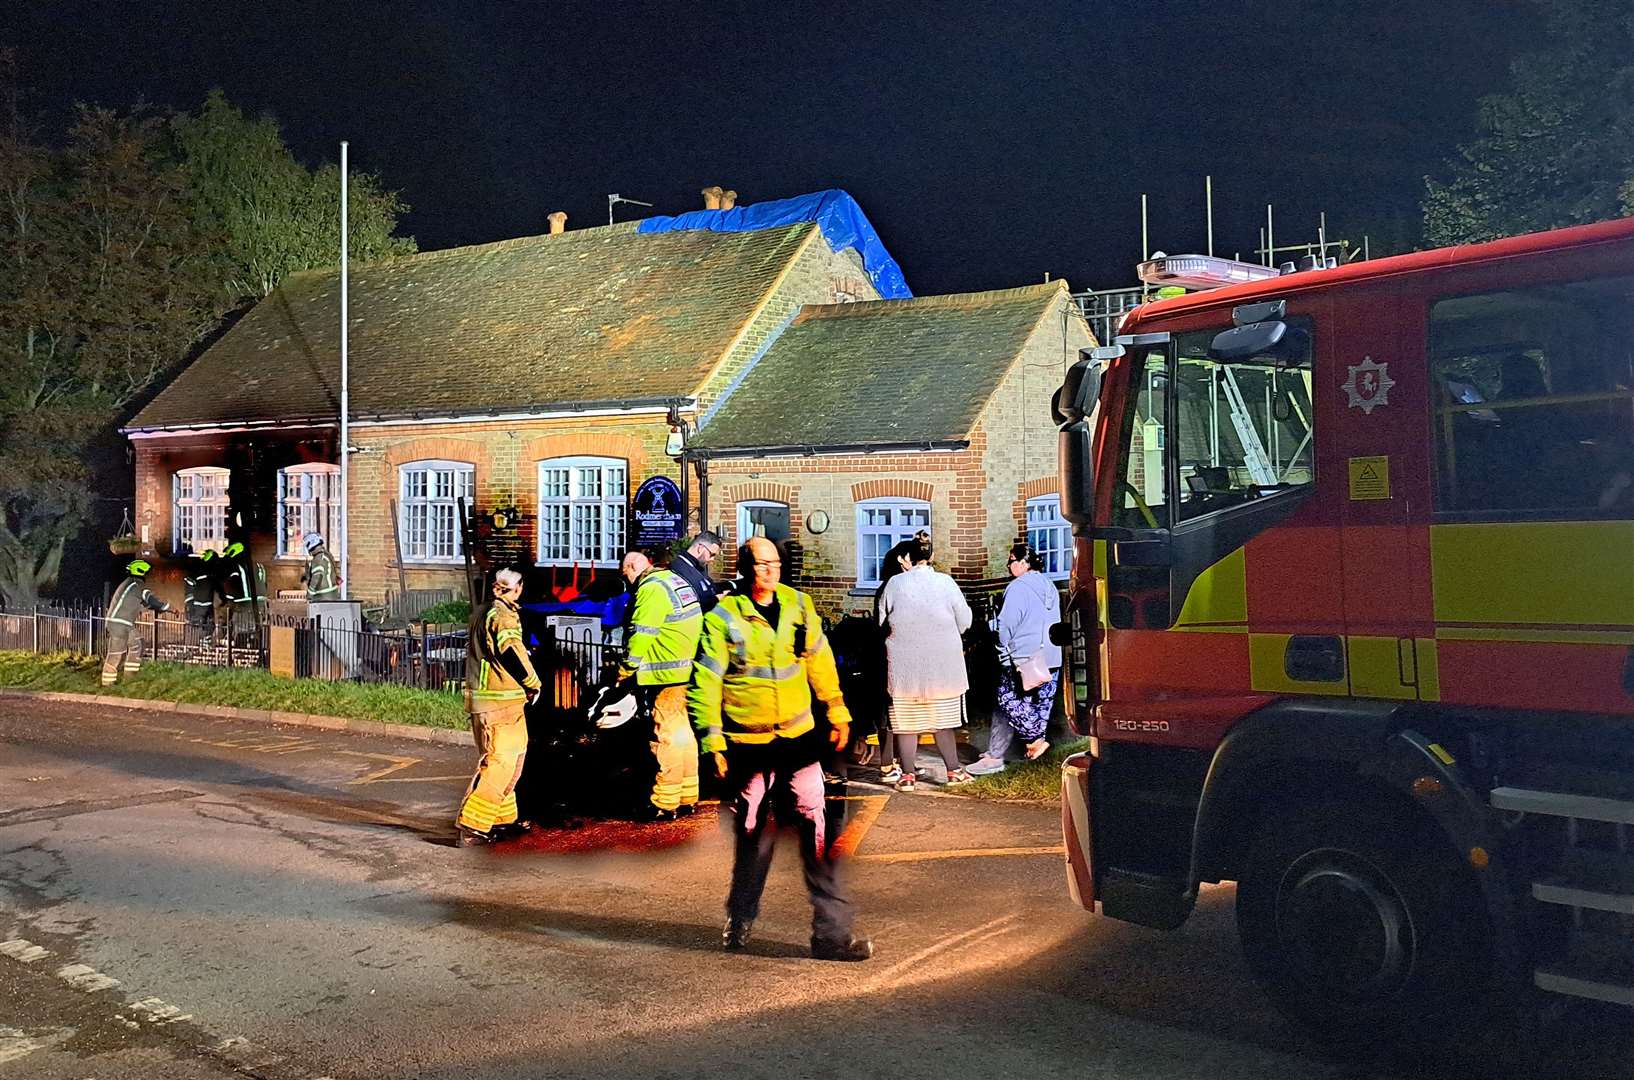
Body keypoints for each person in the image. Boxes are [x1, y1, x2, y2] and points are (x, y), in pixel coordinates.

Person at [689, 537, 872, 961]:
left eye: (774, 563)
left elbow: (819, 662)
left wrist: (837, 710)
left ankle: (831, 937)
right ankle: (741, 915)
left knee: (817, 832)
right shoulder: (722, 617)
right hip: (747, 744)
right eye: (760, 564)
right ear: (744, 568)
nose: (769, 571)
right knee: (754, 836)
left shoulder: (798, 606)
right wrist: (712, 741)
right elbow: (706, 681)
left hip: (797, 739)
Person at [877, 533, 974, 789]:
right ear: (931, 556)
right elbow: (965, 622)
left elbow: (880, 621)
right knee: (942, 722)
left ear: (907, 558)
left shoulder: (894, 584)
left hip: (904, 668)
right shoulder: (946, 582)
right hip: (942, 669)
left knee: (907, 724)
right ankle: (954, 771)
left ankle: (907, 776)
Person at [613, 549, 703, 820]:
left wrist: (625, 669)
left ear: (631, 567)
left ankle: (664, 801)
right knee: (684, 734)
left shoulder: (651, 589)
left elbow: (642, 634)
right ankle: (688, 794)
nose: (626, 580)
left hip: (664, 674)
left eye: (625, 574)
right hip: (685, 669)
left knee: (666, 737)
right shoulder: (675, 581)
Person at [456, 567, 542, 846]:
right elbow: (510, 652)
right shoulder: (502, 616)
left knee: (512, 762)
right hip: (498, 701)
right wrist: (532, 682)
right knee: (499, 763)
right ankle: (472, 826)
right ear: (516, 589)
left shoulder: (485, 611)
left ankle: (501, 819)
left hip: (500, 700)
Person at [968, 543, 1063, 775]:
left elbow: (1006, 626)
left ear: (1023, 562)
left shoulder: (1018, 587)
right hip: (1051, 656)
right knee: (1039, 706)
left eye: (1011, 560)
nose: (1008, 565)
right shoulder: (1048, 585)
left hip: (1024, 658)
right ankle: (998, 753)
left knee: (1007, 701)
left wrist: (1002, 650)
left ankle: (1034, 742)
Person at [870, 533, 922, 779]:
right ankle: (887, 764)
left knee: (904, 710)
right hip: (890, 655)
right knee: (890, 711)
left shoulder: (901, 585)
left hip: (905, 655)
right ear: (903, 560)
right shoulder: (891, 587)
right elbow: (883, 624)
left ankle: (905, 761)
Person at [102, 559, 170, 686]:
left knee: (137, 644)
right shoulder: (137, 585)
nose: (146, 576)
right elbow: (151, 600)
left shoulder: (130, 585)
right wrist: (166, 607)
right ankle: (107, 683)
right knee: (117, 652)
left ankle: (130, 678)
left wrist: (160, 609)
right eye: (146, 573)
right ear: (141, 572)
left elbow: (146, 604)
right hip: (120, 624)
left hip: (123, 623)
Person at [669, 530, 725, 614]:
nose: (712, 559)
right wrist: (716, 599)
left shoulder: (697, 567)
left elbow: (710, 587)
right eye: (712, 554)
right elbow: (692, 600)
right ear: (701, 548)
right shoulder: (680, 567)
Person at [220, 541, 263, 644]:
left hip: (244, 606)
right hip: (261, 605)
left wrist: (227, 603)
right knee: (258, 631)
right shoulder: (259, 566)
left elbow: (231, 590)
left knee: (241, 632)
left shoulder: (237, 567)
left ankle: (239, 650)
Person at [183, 549, 219, 643]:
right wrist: (190, 606)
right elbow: (189, 589)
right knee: (200, 627)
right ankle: (196, 646)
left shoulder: (209, 573)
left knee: (208, 627)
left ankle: (204, 645)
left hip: (206, 605)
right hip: (198, 606)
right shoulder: (198, 571)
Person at [300, 532, 340, 602]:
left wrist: (309, 594)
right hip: (331, 594)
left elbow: (316, 577)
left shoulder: (318, 559)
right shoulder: (326, 555)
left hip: (323, 595)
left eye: (307, 546)